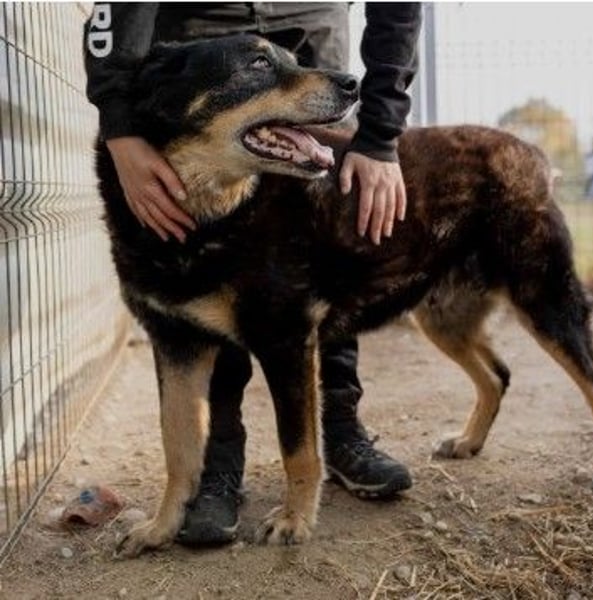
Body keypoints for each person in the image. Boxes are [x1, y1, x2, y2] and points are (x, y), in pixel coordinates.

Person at [84, 2, 422, 546]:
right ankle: (216, 468)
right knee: (194, 304)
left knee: (317, 265)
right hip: (197, 26)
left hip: (310, 17)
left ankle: (341, 432)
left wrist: (381, 131)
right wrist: (119, 126)